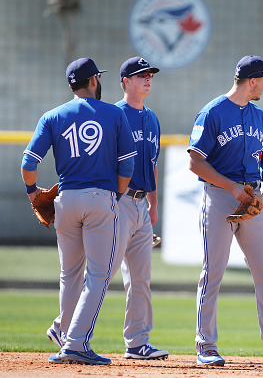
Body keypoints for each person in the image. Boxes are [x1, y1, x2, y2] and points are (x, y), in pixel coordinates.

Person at [22, 58, 136, 365]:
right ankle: (76, 343)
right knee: (97, 275)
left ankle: (66, 343)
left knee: (69, 276)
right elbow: (127, 165)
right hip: (100, 198)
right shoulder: (113, 113)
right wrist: (117, 194)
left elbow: (28, 164)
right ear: (94, 80)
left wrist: (34, 195)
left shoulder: (52, 116)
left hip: (66, 200)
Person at [187, 55, 263, 368]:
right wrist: (233, 188)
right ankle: (206, 346)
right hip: (221, 196)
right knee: (213, 273)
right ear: (252, 81)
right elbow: (195, 161)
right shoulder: (212, 112)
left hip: (253, 200)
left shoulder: (259, 116)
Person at [112, 56, 168, 360]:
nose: (148, 78)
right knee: (102, 271)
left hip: (141, 205)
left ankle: (137, 343)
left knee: (140, 278)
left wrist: (154, 203)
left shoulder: (152, 118)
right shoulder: (113, 115)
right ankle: (64, 326)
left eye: (149, 74)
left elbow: (152, 164)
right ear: (126, 82)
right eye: (140, 74)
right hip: (118, 202)